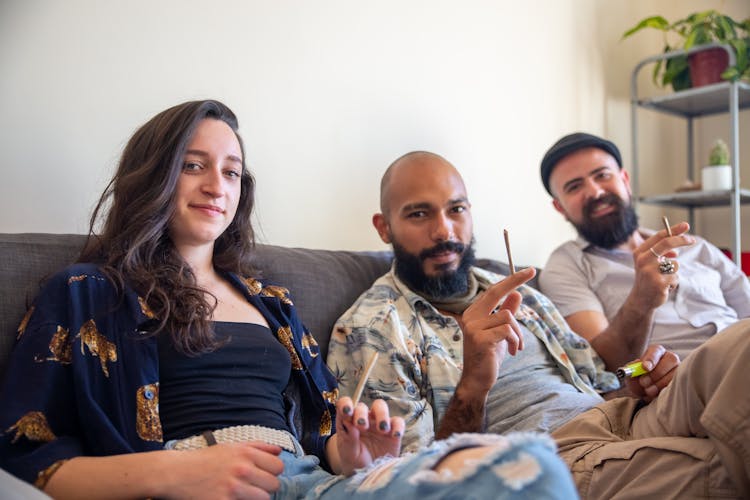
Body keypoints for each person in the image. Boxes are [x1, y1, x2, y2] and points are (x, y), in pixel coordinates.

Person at [0, 101, 578, 499]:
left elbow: (321, 436)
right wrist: (175, 474)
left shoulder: (271, 302)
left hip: (308, 483)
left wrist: (352, 452)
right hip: (187, 482)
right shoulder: (86, 293)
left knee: (528, 467)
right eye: (193, 166)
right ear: (154, 175)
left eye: (231, 172)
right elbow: (26, 457)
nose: (216, 186)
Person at [327, 150, 750, 497]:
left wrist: (642, 375)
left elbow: (600, 373)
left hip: (623, 412)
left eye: (456, 210)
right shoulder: (373, 327)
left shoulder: (516, 288)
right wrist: (474, 379)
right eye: (419, 214)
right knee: (719, 470)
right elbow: (413, 477)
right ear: (385, 228)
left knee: (742, 345)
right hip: (555, 453)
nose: (444, 230)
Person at [538, 132, 750, 369]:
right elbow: (602, 366)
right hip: (680, 382)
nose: (596, 192)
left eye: (602, 175)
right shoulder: (566, 265)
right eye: (574, 187)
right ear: (560, 207)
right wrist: (642, 298)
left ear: (625, 181)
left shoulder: (695, 246)